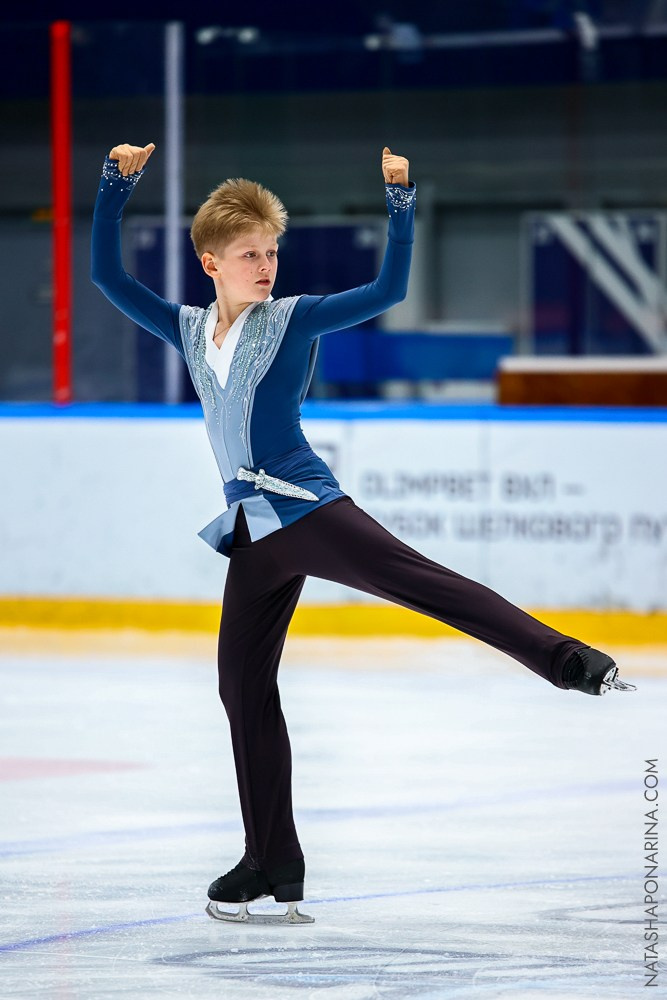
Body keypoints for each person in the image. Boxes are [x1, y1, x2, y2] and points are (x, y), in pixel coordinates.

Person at [91, 141, 635, 925]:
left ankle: (568, 661)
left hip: (309, 514)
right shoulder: (186, 329)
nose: (266, 265)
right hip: (253, 532)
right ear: (210, 262)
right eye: (249, 254)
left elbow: (389, 288)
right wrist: (116, 183)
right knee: (240, 687)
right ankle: (270, 857)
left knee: (427, 585)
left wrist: (400, 204)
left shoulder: (295, 318)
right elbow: (109, 277)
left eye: (272, 252)